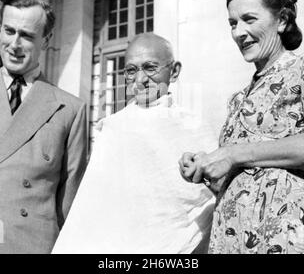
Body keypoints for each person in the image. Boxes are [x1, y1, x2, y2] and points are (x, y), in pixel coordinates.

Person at [179, 0, 304, 254]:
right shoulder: (237, 100)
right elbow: (240, 180)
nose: (238, 32)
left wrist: (232, 154)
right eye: (233, 23)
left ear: (281, 20)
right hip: (229, 236)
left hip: (280, 231)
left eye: (249, 19)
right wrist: (205, 168)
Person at [52, 33, 217, 254]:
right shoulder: (114, 128)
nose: (140, 80)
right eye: (131, 71)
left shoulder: (193, 126)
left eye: (150, 68)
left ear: (174, 71)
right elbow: (93, 207)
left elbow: (209, 200)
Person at [0, 0, 87, 253]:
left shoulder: (70, 109)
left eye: (26, 35)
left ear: (46, 40)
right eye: (8, 31)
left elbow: (68, 205)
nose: (14, 44)